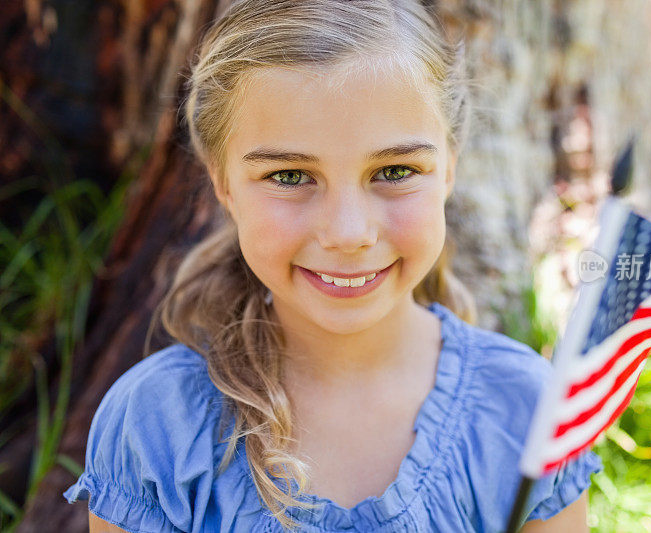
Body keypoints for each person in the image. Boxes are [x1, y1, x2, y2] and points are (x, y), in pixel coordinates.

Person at [63, 1, 602, 531]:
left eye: (394, 170)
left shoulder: (526, 409)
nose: (348, 233)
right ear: (223, 184)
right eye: (291, 176)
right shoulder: (156, 423)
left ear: (448, 170)